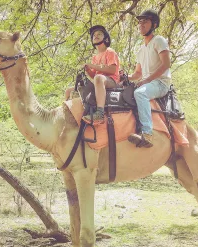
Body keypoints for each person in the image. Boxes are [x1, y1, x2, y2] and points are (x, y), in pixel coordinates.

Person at [128, 9, 171, 148]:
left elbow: (166, 64)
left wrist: (147, 80)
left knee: (140, 93)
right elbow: (137, 74)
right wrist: (123, 77)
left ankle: (147, 134)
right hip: (147, 83)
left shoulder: (158, 40)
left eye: (145, 21)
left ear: (154, 24)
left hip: (160, 83)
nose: (141, 24)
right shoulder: (140, 49)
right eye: (140, 22)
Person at [65, 25, 120, 124]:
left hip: (112, 81)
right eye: (94, 35)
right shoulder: (95, 57)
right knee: (69, 91)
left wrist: (92, 66)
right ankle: (67, 116)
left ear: (106, 38)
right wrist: (88, 70)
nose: (96, 36)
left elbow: (112, 70)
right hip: (100, 81)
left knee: (99, 78)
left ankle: (100, 113)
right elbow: (94, 77)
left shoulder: (110, 52)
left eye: (99, 34)